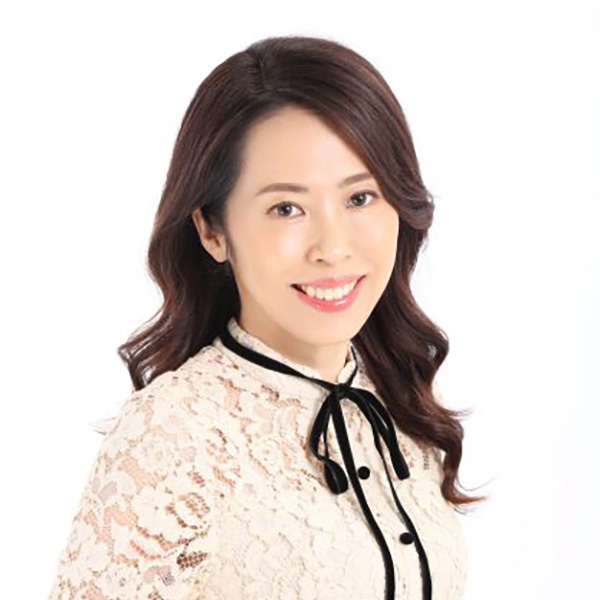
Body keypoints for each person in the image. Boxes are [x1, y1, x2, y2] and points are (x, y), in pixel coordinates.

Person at [47, 35, 487, 600]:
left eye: (360, 198)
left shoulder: (399, 396)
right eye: (286, 208)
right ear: (212, 230)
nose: (333, 247)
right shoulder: (173, 432)